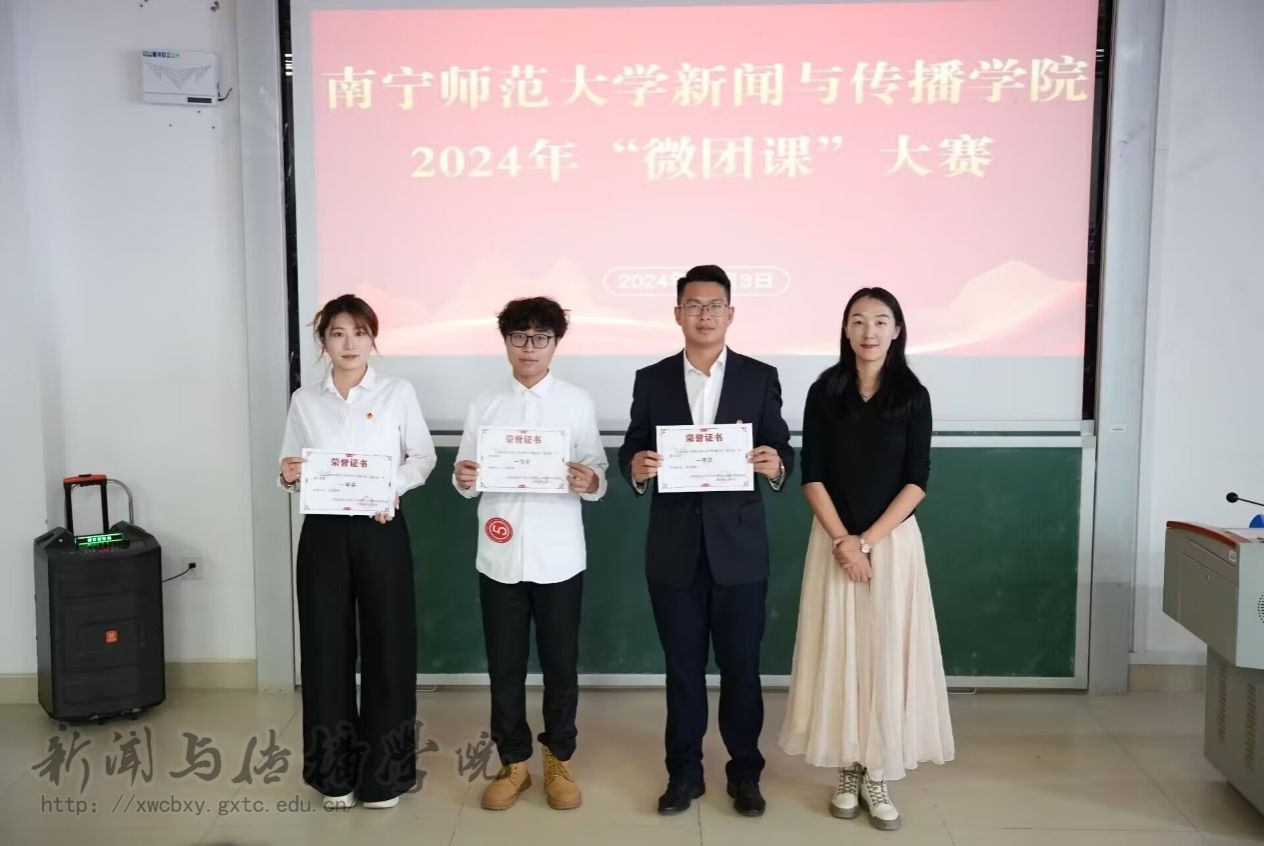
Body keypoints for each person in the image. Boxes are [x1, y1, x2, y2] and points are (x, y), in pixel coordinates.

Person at [618, 265, 793, 817]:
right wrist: (636, 468)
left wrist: (775, 465)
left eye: (714, 305)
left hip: (739, 552)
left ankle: (745, 773)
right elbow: (633, 446)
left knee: (742, 670)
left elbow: (782, 446)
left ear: (731, 313)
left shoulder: (758, 377)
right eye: (694, 305)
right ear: (677, 314)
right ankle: (684, 773)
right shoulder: (652, 379)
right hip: (674, 551)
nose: (704, 315)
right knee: (683, 670)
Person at [779, 287, 954, 831]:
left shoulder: (913, 395)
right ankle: (847, 769)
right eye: (858, 320)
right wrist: (843, 541)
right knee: (840, 652)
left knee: (885, 652)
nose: (869, 331)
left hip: (892, 545)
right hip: (832, 542)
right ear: (845, 329)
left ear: (897, 330)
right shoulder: (825, 391)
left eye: (880, 321)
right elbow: (811, 474)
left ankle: (877, 772)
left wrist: (867, 542)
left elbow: (917, 480)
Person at [278, 294, 437, 810]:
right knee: (325, 649)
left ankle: (384, 777)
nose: (350, 343)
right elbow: (290, 465)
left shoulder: (397, 392)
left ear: (373, 339)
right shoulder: (305, 400)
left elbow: (422, 458)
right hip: (323, 533)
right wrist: (289, 474)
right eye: (338, 333)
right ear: (323, 342)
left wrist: (390, 488)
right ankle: (334, 777)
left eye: (360, 332)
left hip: (381, 528)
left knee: (390, 647)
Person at [453, 296, 607, 812]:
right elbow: (465, 474)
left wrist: (591, 480)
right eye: (519, 336)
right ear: (506, 342)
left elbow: (596, 467)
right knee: (505, 666)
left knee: (561, 664)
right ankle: (513, 762)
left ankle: (559, 758)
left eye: (541, 337)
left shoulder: (576, 402)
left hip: (559, 555)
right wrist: (464, 477)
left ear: (555, 344)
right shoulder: (485, 403)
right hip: (499, 554)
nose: (529, 347)